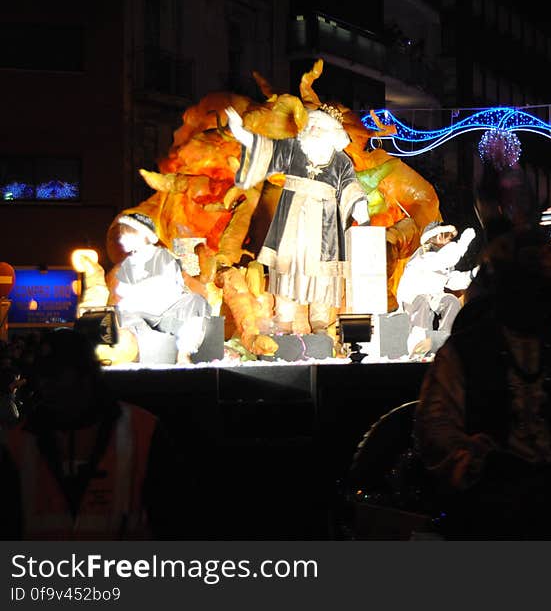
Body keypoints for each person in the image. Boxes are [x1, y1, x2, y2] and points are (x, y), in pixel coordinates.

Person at [413, 229, 551, 538]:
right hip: (492, 501)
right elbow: (436, 427)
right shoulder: (464, 353)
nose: (536, 298)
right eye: (526, 285)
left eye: (542, 288)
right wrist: (478, 459)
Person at [0, 328, 183, 539]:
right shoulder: (18, 444)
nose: (46, 384)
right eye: (42, 375)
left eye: (56, 374)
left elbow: (175, 522)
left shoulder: (143, 433)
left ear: (86, 376)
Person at [224, 103, 370, 334]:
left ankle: (320, 325)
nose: (312, 129)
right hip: (292, 223)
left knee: (322, 273)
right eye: (310, 124)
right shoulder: (294, 149)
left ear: (332, 132)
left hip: (325, 226)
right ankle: (284, 322)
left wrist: (360, 206)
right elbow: (266, 148)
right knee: (287, 268)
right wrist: (240, 132)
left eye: (319, 126)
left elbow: (351, 186)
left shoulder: (341, 161)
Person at [114, 213, 210, 364]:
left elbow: (179, 288)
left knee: (196, 303)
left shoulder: (165, 258)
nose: (123, 239)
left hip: (167, 313)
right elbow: (122, 297)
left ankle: (183, 355)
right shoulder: (127, 265)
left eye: (127, 235)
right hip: (138, 317)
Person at [395, 221, 478, 355]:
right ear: (436, 237)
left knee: (450, 300)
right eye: (447, 236)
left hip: (433, 298)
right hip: (413, 299)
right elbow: (444, 259)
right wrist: (463, 243)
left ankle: (443, 340)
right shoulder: (422, 256)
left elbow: (452, 280)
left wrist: (474, 274)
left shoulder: (443, 261)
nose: (450, 240)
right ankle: (417, 345)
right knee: (422, 302)